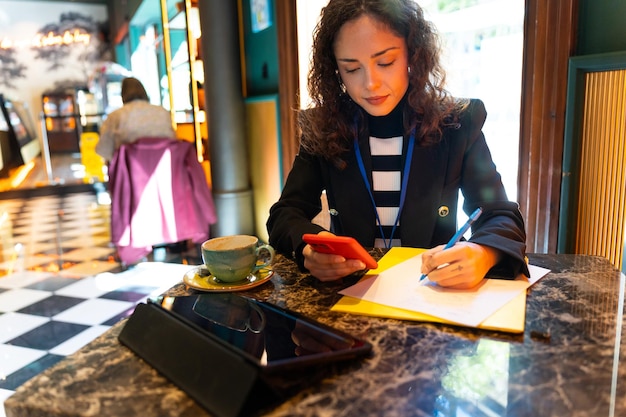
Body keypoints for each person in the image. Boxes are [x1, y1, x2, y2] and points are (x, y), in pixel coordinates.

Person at [266, 0, 529, 289]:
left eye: (385, 62)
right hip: (353, 292)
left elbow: (500, 215)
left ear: (413, 56)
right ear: (335, 71)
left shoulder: (456, 123)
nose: (371, 84)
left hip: (435, 291)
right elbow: (285, 214)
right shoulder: (324, 126)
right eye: (352, 69)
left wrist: (483, 253)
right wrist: (307, 251)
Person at [96, 77, 175, 161]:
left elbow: (103, 150)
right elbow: (173, 141)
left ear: (123, 94)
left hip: (130, 171)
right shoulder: (163, 112)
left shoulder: (115, 116)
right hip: (165, 166)